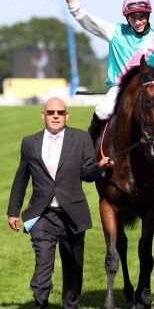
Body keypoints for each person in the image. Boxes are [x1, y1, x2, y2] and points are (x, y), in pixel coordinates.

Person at [7, 97, 113, 309]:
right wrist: (13, 211)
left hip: (72, 215)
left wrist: (100, 167)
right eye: (51, 112)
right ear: (43, 115)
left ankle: (70, 306)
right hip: (42, 215)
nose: (56, 116)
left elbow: (87, 173)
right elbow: (21, 178)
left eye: (60, 112)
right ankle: (40, 303)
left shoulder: (81, 138)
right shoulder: (29, 143)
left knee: (73, 268)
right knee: (42, 268)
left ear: (67, 116)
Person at [54, 0, 154, 143]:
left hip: (148, 92)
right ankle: (89, 150)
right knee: (101, 111)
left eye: (142, 16)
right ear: (127, 18)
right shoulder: (115, 31)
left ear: (148, 16)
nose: (138, 21)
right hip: (118, 90)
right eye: (133, 17)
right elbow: (85, 18)